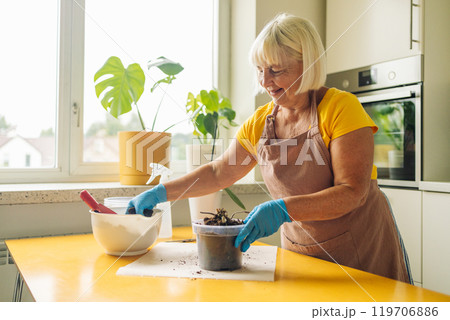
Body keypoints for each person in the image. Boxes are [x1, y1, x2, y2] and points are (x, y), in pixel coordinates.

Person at [127, 13, 413, 283]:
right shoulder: (260, 123)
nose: (265, 82)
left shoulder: (341, 108)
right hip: (301, 253)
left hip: (361, 251)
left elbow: (353, 193)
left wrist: (283, 209)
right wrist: (162, 192)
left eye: (276, 70)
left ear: (309, 64)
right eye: (260, 70)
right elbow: (218, 172)